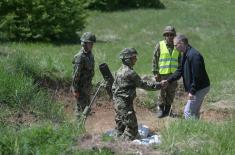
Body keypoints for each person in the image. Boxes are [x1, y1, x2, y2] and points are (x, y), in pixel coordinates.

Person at [112, 48, 162, 140]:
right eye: (134, 57)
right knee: (132, 131)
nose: (136, 59)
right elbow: (143, 84)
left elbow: (113, 87)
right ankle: (122, 146)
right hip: (125, 104)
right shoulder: (130, 73)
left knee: (121, 127)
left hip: (118, 103)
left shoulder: (119, 70)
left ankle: (116, 141)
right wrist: (160, 85)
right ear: (128, 59)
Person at [162, 34, 210, 119]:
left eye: (175, 45)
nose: (174, 47)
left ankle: (191, 130)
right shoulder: (185, 54)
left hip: (200, 88)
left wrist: (192, 91)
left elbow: (197, 76)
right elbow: (179, 71)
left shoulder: (194, 55)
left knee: (188, 111)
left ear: (182, 43)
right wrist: (168, 80)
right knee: (194, 111)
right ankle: (197, 129)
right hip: (197, 88)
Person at [152, 26, 181, 118]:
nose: (169, 36)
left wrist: (179, 73)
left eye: (171, 35)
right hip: (162, 74)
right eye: (167, 34)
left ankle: (168, 110)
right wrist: (156, 72)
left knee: (171, 92)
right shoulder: (160, 45)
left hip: (173, 75)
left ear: (174, 36)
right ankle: (160, 109)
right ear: (164, 36)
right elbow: (155, 59)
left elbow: (180, 60)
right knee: (161, 91)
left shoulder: (177, 46)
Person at [72, 32, 96, 118]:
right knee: (79, 110)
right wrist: (75, 89)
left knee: (86, 109)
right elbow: (76, 74)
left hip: (87, 86)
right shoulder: (80, 57)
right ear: (84, 43)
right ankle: (76, 128)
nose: (92, 45)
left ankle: (84, 127)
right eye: (90, 43)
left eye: (92, 43)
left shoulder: (90, 55)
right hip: (80, 88)